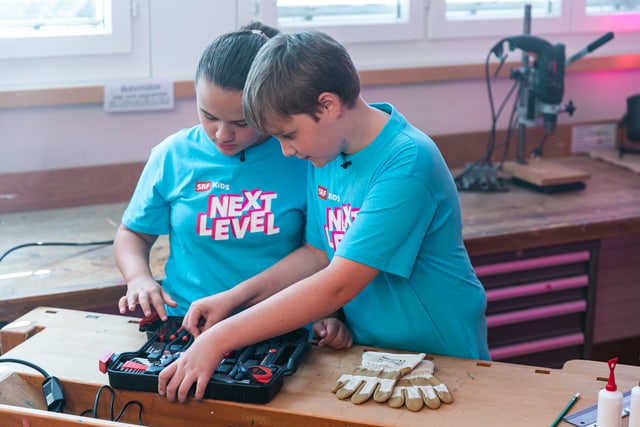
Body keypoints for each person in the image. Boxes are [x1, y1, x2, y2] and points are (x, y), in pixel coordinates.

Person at [158, 29, 490, 403]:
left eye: (289, 134)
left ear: (328, 106)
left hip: (440, 352)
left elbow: (338, 282)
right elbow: (318, 254)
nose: (285, 151)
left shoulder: (407, 161)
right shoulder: (326, 151)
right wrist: (234, 297)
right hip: (375, 355)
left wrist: (221, 337)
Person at [113, 22, 351, 348]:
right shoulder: (173, 155)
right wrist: (138, 278)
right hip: (187, 325)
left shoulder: (302, 154)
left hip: (279, 325)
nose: (222, 135)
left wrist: (331, 315)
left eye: (241, 122)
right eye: (208, 115)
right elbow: (132, 233)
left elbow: (320, 254)